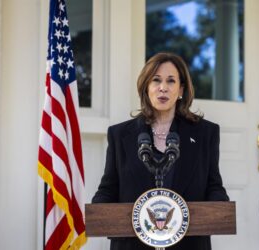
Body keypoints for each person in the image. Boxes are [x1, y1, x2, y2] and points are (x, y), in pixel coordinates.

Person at [92, 52, 229, 250]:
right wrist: (98, 213)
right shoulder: (120, 134)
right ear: (146, 87)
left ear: (181, 89)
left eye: (171, 81)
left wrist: (219, 209)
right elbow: (108, 189)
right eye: (156, 80)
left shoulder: (205, 133)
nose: (163, 87)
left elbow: (213, 185)